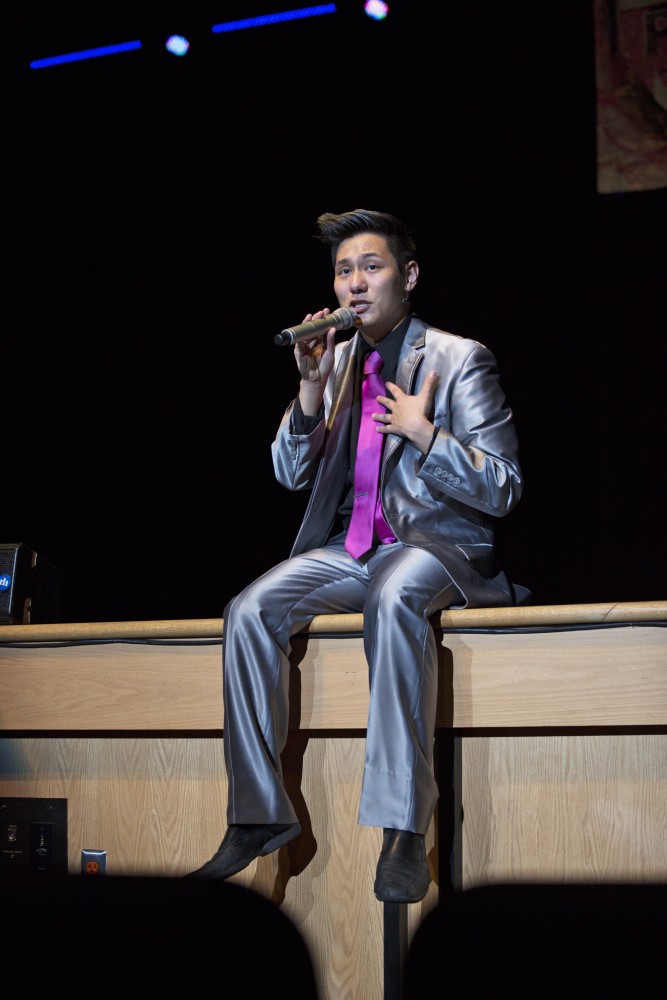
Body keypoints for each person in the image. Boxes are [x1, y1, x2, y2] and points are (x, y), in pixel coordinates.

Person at [188, 209, 525, 902]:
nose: (354, 283)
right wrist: (309, 390)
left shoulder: (459, 357)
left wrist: (425, 436)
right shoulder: (337, 359)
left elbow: (502, 487)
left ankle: (402, 828)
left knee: (394, 591)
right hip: (352, 548)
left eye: (370, 267)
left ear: (408, 276)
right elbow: (288, 474)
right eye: (343, 271)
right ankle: (257, 813)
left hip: (438, 547)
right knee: (249, 608)